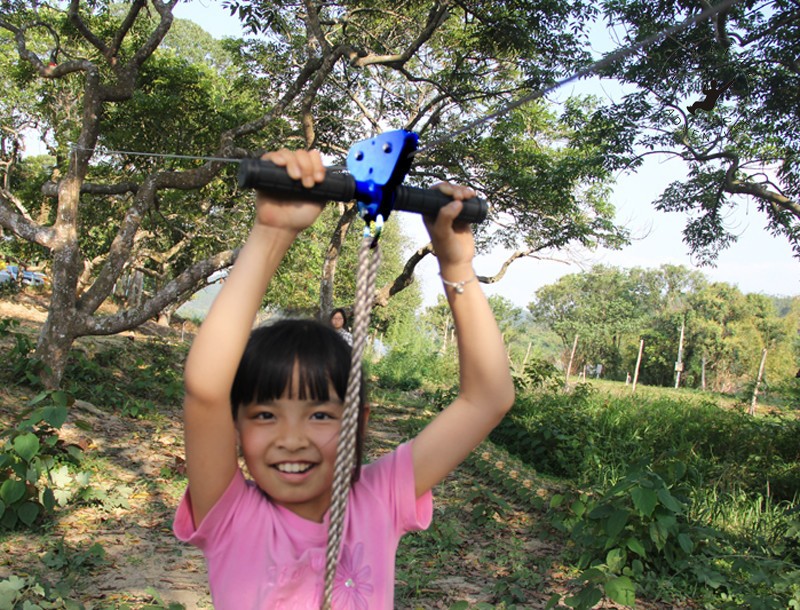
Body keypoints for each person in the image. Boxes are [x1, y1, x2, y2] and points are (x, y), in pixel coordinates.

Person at [173, 148, 515, 609]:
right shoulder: (230, 513)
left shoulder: (378, 499)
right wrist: (272, 232)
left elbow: (487, 399)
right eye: (265, 415)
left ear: (359, 420)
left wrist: (456, 267)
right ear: (235, 426)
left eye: (318, 413)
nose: (291, 439)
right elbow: (207, 389)